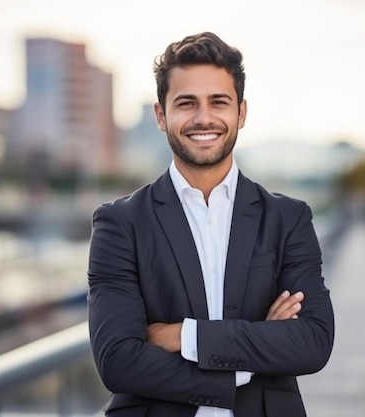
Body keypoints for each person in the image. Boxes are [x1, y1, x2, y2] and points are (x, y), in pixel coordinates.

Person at [87, 32, 334, 417]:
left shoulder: (288, 219)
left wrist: (185, 336)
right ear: (160, 115)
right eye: (186, 103)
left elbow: (313, 340)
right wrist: (250, 357)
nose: (204, 118)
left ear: (241, 112)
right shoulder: (120, 224)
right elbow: (117, 361)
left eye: (218, 102)